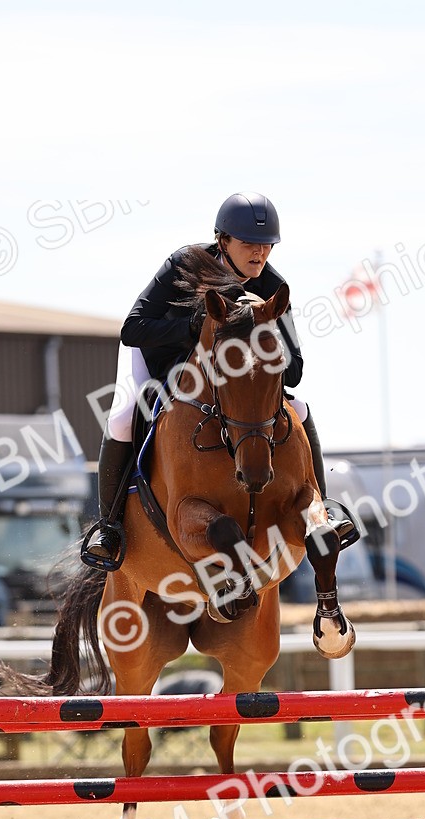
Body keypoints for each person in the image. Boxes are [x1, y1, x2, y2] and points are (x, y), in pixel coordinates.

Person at [82, 191, 357, 569]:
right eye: (249, 245)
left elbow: (293, 369)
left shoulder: (272, 289)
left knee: (299, 407)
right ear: (222, 240)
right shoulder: (184, 264)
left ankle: (323, 510)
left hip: (230, 380)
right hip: (159, 359)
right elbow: (133, 328)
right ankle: (109, 528)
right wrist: (193, 326)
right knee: (123, 415)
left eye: (266, 246)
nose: (259, 254)